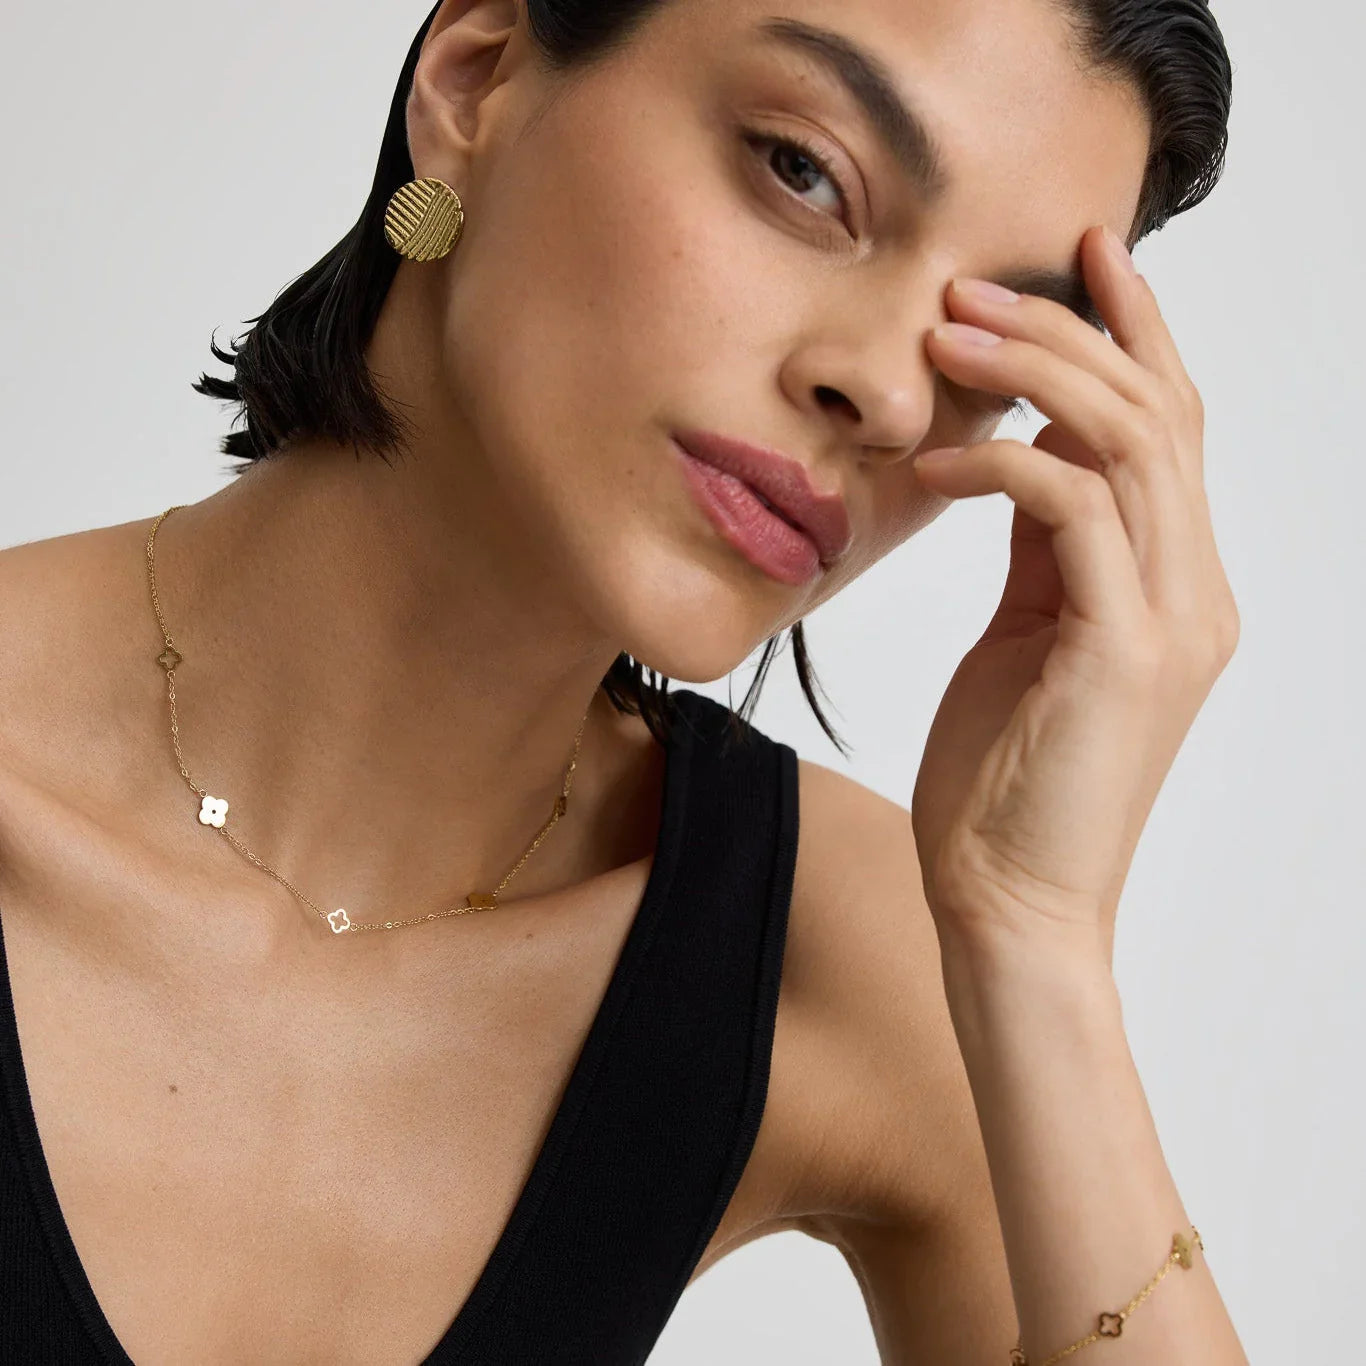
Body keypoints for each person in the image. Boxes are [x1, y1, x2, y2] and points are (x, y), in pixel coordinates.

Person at [0, 0, 1246, 1362]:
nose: (892, 398)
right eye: (803, 170)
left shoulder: (831, 947)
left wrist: (1039, 944)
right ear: (476, 80)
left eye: (994, 343)